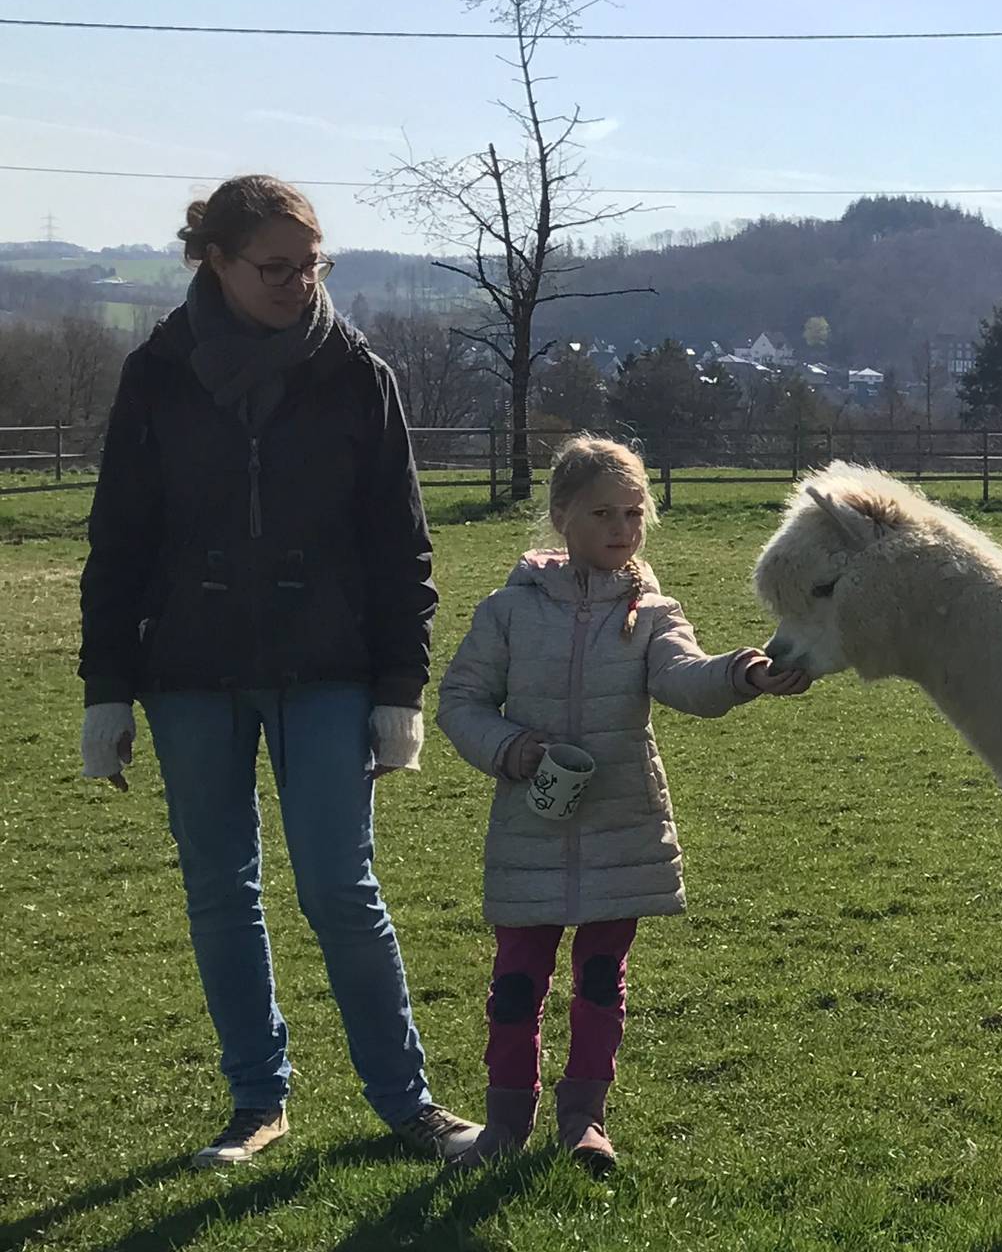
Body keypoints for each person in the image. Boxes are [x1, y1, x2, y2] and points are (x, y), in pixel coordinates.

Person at [76, 175, 480, 1166]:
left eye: (313, 264)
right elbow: (118, 541)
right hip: (188, 672)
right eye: (276, 267)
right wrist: (105, 691)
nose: (300, 284)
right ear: (212, 260)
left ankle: (407, 1102)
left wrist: (400, 692)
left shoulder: (357, 374)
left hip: (330, 668)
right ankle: (257, 1102)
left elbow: (402, 550)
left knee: (341, 887)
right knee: (220, 888)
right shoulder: (156, 373)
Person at [436, 436, 809, 1175]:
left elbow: (684, 679)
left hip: (620, 827)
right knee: (516, 983)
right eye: (603, 512)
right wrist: (511, 749)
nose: (621, 528)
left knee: (601, 979)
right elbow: (461, 702)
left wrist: (746, 675)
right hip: (530, 831)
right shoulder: (507, 611)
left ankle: (585, 1122)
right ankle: (505, 1123)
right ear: (561, 516)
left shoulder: (653, 611)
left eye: (634, 512)